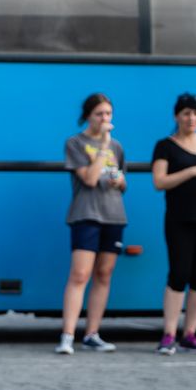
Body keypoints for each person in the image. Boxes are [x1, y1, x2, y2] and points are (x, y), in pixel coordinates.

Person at [152, 92, 196, 355]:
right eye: (186, 113)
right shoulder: (165, 146)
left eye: (195, 113)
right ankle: (169, 333)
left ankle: (190, 333)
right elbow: (159, 182)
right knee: (179, 274)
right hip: (180, 219)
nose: (191, 118)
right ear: (177, 116)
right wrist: (193, 171)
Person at [57, 93, 127, 355]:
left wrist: (118, 180)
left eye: (108, 114)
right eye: (99, 114)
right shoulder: (76, 143)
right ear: (88, 116)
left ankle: (92, 333)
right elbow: (88, 178)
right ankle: (67, 335)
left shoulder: (117, 148)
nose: (105, 119)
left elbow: (122, 182)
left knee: (104, 274)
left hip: (114, 215)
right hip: (86, 214)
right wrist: (103, 148)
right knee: (80, 274)